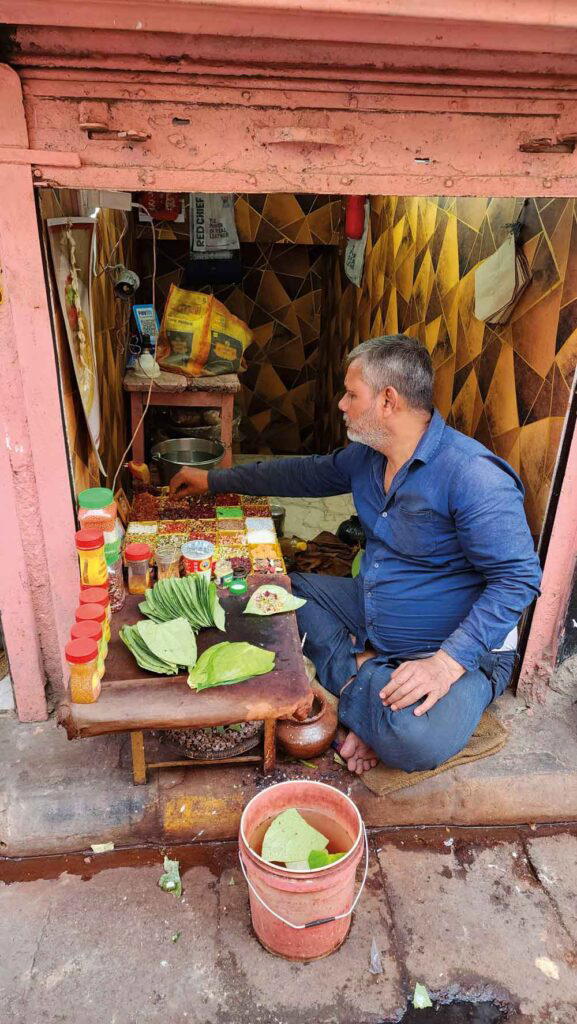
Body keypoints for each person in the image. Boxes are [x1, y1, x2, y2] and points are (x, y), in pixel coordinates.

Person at [169, 335, 542, 776]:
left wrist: (445, 665)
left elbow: (518, 580)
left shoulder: (472, 475)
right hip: (375, 606)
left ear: (388, 401)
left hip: (457, 646)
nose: (342, 405)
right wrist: (214, 480)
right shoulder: (369, 457)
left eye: (352, 394)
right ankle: (365, 678)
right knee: (274, 591)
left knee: (413, 739)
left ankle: (355, 680)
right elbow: (304, 472)